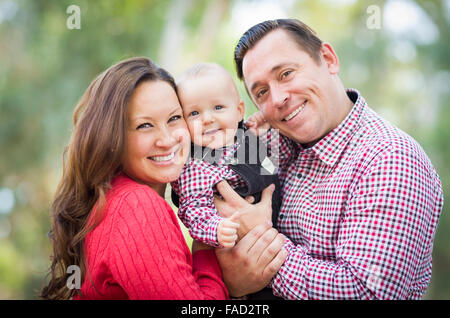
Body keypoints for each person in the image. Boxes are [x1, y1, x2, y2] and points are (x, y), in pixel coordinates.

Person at [213, 19, 444, 299]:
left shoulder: (389, 158)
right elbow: (197, 168)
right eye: (262, 92)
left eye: (286, 74)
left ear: (328, 59)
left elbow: (366, 293)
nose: (278, 98)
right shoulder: (270, 145)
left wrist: (261, 244)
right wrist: (240, 133)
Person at [39, 57, 287, 300]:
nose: (167, 139)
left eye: (174, 118)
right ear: (112, 137)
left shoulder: (115, 198)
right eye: (144, 126)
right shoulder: (135, 206)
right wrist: (220, 270)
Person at [171, 62, 282, 249]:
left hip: (279, 229)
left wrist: (265, 131)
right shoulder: (195, 165)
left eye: (218, 107)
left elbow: (274, 166)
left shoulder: (246, 137)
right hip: (235, 244)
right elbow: (193, 211)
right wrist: (216, 229)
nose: (207, 119)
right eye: (194, 113)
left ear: (239, 111)